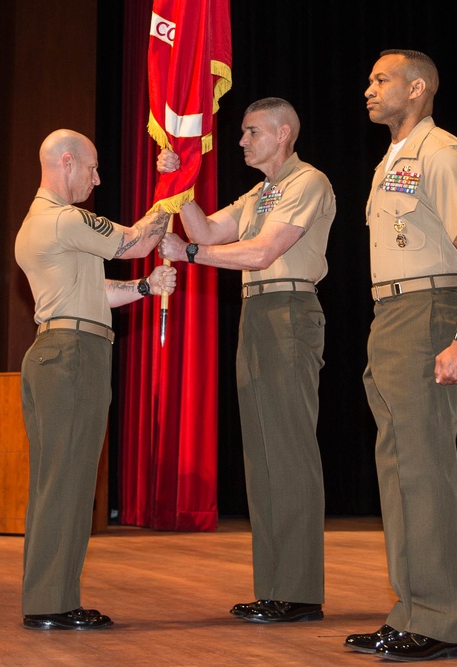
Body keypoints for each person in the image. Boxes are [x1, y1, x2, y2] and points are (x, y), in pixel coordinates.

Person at [157, 97, 336, 624]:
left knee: (289, 451)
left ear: (282, 133)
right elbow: (206, 231)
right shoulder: (260, 192)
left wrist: (189, 255)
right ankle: (274, 587)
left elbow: (260, 253)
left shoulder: (308, 182)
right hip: (257, 312)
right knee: (261, 455)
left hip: (289, 310)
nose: (241, 141)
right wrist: (180, 185)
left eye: (251, 131)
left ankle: (299, 591)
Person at [344, 50, 457, 661]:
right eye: (369, 79)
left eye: (381, 79)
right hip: (389, 314)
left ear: (417, 88)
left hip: (428, 311)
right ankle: (407, 612)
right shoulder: (390, 161)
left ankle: (435, 622)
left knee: (425, 470)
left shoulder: (442, 153)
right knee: (398, 471)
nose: (369, 88)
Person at [15, 129, 176, 631]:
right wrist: (171, 188)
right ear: (66, 162)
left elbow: (97, 290)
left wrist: (145, 287)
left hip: (57, 349)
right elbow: (139, 240)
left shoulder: (43, 225)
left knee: (58, 481)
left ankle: (49, 597)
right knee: (69, 482)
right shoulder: (65, 219)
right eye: (92, 168)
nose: (98, 178)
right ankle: (52, 604)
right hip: (74, 355)